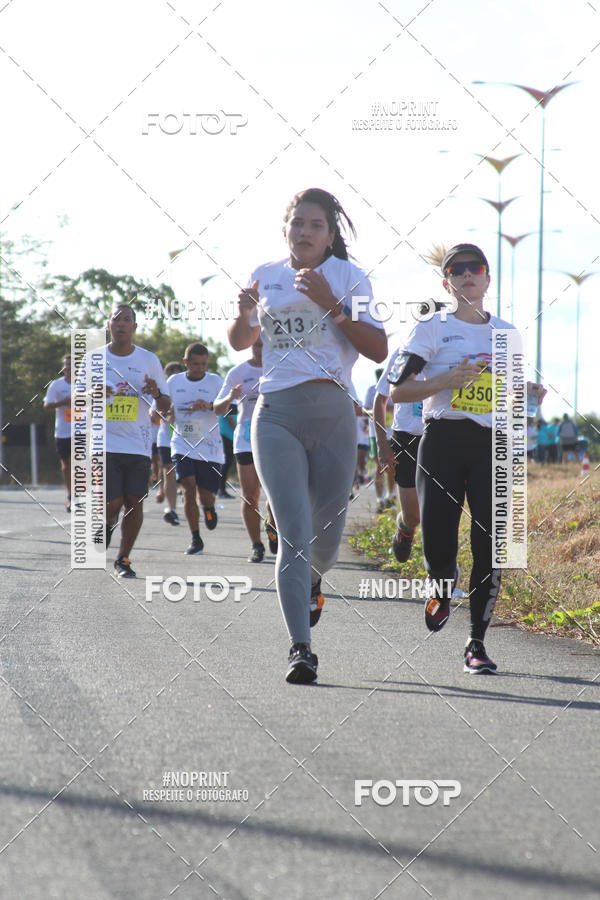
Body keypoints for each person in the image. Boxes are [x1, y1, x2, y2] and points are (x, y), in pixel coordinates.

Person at [228, 187, 387, 684]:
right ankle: (301, 647)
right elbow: (239, 341)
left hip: (334, 412)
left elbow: (378, 349)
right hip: (274, 412)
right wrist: (242, 312)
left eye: (316, 225)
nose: (306, 232)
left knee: (327, 540)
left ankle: (314, 580)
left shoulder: (348, 276)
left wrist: (333, 307)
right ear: (286, 229)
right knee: (293, 534)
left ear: (331, 233)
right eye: (298, 223)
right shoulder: (268, 275)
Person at [389, 243, 544, 674]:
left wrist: (526, 403)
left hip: (493, 446)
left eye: (475, 268)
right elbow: (398, 391)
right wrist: (447, 379)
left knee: (493, 544)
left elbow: (511, 402)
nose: (467, 275)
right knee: (439, 540)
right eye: (456, 271)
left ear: (488, 279)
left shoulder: (508, 333)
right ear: (447, 283)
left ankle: (476, 641)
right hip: (441, 439)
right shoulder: (432, 329)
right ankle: (441, 582)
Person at [99, 305, 170, 577]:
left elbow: (165, 405)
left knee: (134, 502)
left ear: (134, 328)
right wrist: (94, 394)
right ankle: (106, 524)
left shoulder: (148, 360)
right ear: (109, 325)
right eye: (116, 319)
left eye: (127, 319)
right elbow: (78, 400)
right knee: (113, 503)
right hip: (104, 444)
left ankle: (123, 559)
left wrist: (156, 394)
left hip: (138, 444)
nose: (121, 323)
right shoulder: (95, 359)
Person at [214, 336, 277, 562]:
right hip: (245, 439)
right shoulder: (238, 372)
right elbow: (217, 408)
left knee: (275, 496)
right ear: (251, 345)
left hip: (275, 438)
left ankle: (272, 524)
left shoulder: (281, 368)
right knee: (251, 495)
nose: (261, 349)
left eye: (266, 344)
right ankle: (256, 545)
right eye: (258, 344)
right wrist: (231, 397)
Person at [167, 343, 224, 555]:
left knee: (205, 495)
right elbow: (162, 408)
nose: (200, 368)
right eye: (195, 364)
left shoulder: (216, 381)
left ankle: (208, 507)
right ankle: (195, 538)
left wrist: (209, 406)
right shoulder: (174, 382)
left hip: (210, 447)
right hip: (182, 443)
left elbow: (231, 408)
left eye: (203, 364)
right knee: (188, 487)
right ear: (185, 363)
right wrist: (164, 414)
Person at [374, 346, 423, 563]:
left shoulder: (454, 349)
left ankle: (439, 578)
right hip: (407, 439)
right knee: (413, 516)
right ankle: (404, 526)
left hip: (441, 435)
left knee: (439, 515)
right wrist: (382, 444)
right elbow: (380, 400)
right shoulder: (404, 353)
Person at [151, 360, 185, 525]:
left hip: (188, 440)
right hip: (166, 439)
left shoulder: (188, 388)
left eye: (177, 375)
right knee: (168, 473)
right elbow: (153, 417)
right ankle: (172, 509)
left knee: (187, 478)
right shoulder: (161, 392)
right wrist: (164, 412)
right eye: (170, 375)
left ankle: (189, 499)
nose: (173, 379)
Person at [44, 353, 73, 512]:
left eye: (72, 365)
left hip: (83, 430)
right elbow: (47, 405)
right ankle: (70, 496)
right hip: (63, 431)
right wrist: (64, 402)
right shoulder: (56, 385)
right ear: (63, 368)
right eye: (66, 365)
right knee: (67, 465)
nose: (69, 368)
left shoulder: (85, 384)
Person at [365, 370, 395, 511]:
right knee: (379, 466)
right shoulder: (371, 390)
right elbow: (364, 409)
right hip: (375, 433)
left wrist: (389, 408)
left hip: (392, 432)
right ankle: (379, 499)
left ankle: (391, 496)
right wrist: (376, 410)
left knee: (392, 466)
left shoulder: (395, 386)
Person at [217, 407, 237, 498]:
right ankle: (221, 489)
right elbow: (229, 417)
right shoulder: (228, 397)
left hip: (230, 436)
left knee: (227, 463)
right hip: (226, 435)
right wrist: (237, 431)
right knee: (225, 463)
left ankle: (221, 488)